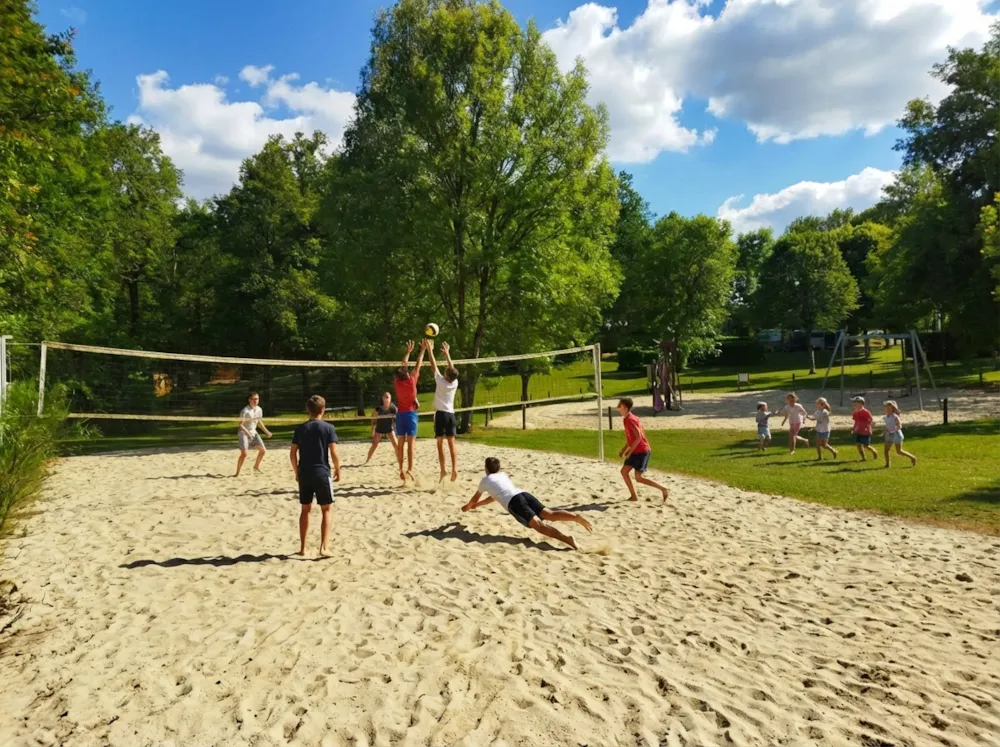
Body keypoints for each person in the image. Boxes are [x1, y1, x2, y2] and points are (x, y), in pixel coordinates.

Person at [461, 457, 593, 550]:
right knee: (550, 514)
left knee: (539, 526)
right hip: (524, 494)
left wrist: (467, 506)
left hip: (515, 502)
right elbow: (495, 496)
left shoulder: (485, 480)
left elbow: (475, 497)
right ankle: (575, 517)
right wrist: (477, 506)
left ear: (486, 469)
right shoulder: (503, 475)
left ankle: (568, 540)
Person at [289, 395, 341, 557]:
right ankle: (324, 547)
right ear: (323, 410)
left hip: (305, 472)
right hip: (321, 472)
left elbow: (292, 453)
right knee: (327, 509)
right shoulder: (328, 428)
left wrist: (296, 471)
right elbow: (333, 452)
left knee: (305, 509)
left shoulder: (300, 429)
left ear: (308, 410)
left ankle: (303, 548)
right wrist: (338, 468)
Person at [616, 397, 670, 503]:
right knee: (624, 472)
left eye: (620, 405)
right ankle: (634, 497)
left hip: (642, 451)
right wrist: (624, 449)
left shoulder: (631, 419)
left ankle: (663, 489)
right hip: (636, 450)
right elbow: (630, 438)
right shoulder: (626, 419)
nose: (618, 407)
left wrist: (630, 452)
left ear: (625, 407)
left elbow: (639, 437)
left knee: (638, 478)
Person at [394, 339, 427, 483]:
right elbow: (418, 363)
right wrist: (422, 350)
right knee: (411, 444)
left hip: (400, 414)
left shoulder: (397, 383)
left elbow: (403, 365)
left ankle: (401, 468)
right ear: (407, 374)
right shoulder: (412, 380)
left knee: (400, 444)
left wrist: (407, 352)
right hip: (411, 414)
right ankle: (410, 469)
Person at [426, 339, 459, 482]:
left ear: (446, 376)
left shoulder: (440, 381)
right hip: (451, 415)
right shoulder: (455, 382)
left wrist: (429, 350)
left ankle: (443, 470)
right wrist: (447, 354)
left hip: (441, 415)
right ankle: (455, 469)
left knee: (440, 443)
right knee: (451, 443)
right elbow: (452, 370)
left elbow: (433, 365)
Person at [236, 392, 271, 476]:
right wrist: (247, 433)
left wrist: (266, 432)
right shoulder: (245, 411)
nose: (255, 401)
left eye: (257, 399)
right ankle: (237, 472)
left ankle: (256, 467)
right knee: (244, 454)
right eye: (253, 399)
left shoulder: (259, 409)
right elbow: (240, 425)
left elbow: (258, 422)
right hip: (243, 433)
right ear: (249, 400)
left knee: (263, 451)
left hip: (253, 432)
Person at [882, 400, 917, 469]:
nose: (887, 409)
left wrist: (893, 429)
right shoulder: (886, 417)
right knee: (886, 450)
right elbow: (888, 425)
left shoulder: (895, 416)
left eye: (889, 408)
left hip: (896, 434)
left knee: (899, 451)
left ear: (893, 409)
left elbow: (899, 426)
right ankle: (887, 464)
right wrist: (885, 431)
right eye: (886, 408)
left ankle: (913, 458)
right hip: (889, 434)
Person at [365, 392, 398, 464]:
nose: (386, 398)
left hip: (389, 428)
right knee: (374, 444)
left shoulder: (393, 408)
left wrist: (393, 416)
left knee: (396, 444)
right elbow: (373, 419)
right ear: (382, 398)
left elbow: (397, 419)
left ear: (390, 398)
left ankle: (399, 459)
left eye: (388, 397)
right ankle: (367, 460)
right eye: (385, 397)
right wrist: (372, 429)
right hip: (379, 428)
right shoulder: (378, 408)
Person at [850, 396, 879, 462]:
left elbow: (871, 420)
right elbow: (856, 422)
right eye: (854, 402)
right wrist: (853, 429)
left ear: (861, 403)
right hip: (858, 431)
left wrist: (867, 426)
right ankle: (863, 458)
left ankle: (874, 452)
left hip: (865, 432)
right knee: (858, 445)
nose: (854, 404)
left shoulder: (865, 412)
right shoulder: (855, 412)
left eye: (855, 402)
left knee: (866, 446)